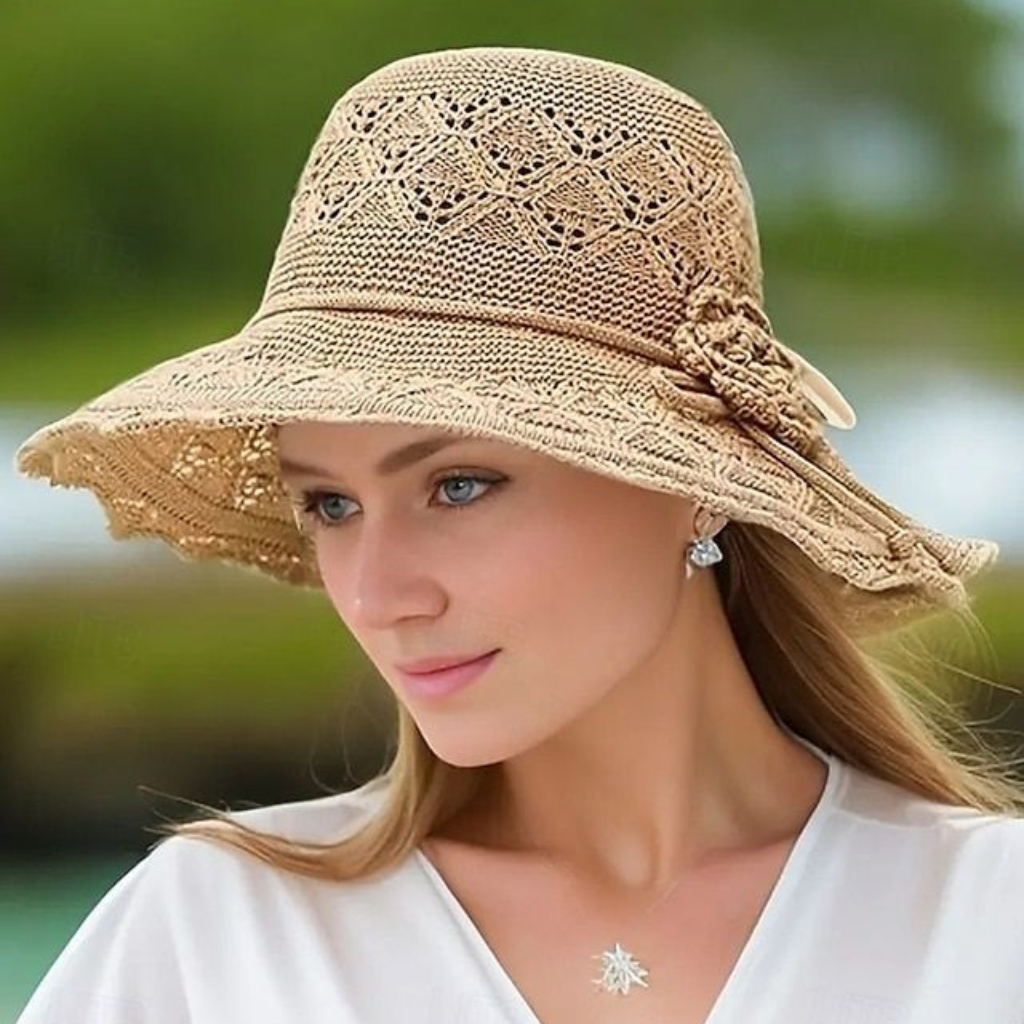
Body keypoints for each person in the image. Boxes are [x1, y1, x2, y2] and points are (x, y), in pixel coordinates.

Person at [12, 46, 1024, 1024]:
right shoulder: (216, 936)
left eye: (457, 485)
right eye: (330, 504)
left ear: (699, 487)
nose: (374, 595)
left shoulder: (988, 918)